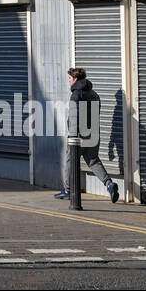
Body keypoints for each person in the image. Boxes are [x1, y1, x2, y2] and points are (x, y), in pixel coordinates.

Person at [55, 67, 119, 204]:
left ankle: (67, 190)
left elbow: (74, 116)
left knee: (70, 161)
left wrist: (72, 137)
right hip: (93, 133)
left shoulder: (76, 95)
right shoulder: (95, 94)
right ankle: (109, 184)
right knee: (93, 161)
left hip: (78, 136)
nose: (69, 82)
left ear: (75, 79)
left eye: (70, 79)